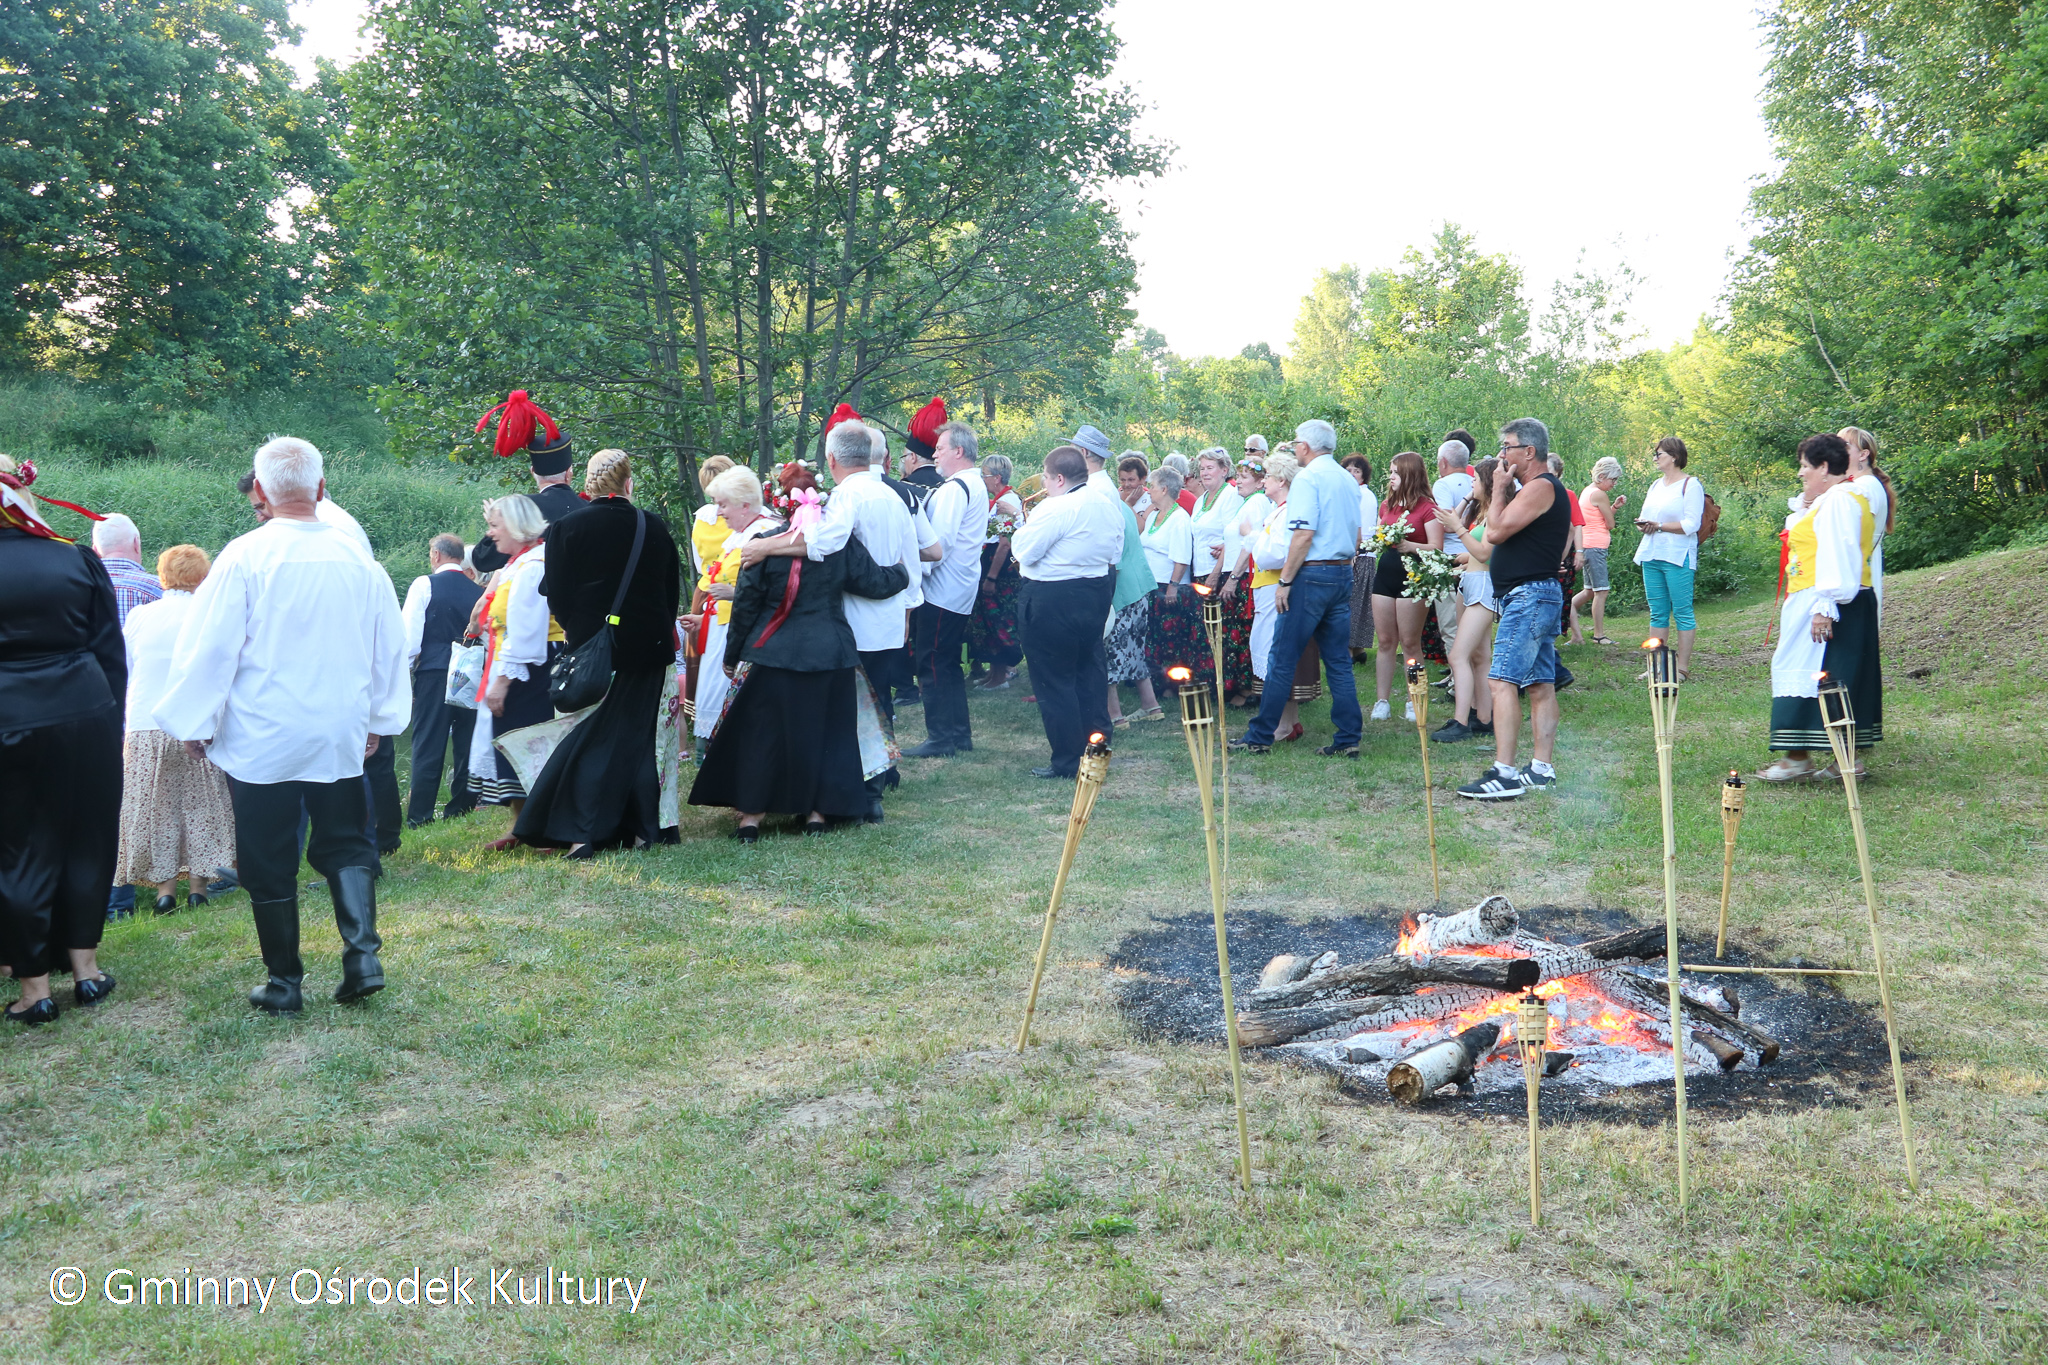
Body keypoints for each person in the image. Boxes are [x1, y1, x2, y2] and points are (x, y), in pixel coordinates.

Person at [154, 436, 408, 1012]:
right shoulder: (359, 559)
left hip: (263, 734)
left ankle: (285, 982)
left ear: (263, 494)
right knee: (345, 839)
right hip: (337, 728)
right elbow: (386, 647)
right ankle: (362, 955)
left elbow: (210, 648)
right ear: (320, 487)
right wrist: (379, 717)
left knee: (267, 854)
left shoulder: (244, 556)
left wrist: (195, 720)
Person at [688, 497, 909, 838]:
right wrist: (902, 570)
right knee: (824, 734)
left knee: (762, 736)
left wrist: (731, 656)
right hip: (830, 653)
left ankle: (751, 820)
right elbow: (875, 583)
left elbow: (746, 604)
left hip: (771, 655)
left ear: (781, 506)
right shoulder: (838, 544)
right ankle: (816, 816)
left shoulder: (760, 546)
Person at [741, 417, 927, 814]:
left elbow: (824, 543)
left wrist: (765, 547)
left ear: (831, 459)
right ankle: (880, 780)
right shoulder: (894, 496)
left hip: (853, 618)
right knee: (879, 701)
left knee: (854, 709)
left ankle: (863, 791)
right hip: (890, 616)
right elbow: (910, 560)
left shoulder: (846, 498)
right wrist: (908, 612)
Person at [0, 454, 123, 1023]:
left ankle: (35, 990)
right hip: (87, 713)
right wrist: (111, 721)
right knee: (86, 837)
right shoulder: (76, 556)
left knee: (18, 848)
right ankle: (87, 973)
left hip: (10, 721)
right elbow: (110, 650)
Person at [515, 451, 682, 856]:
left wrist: (580, 631)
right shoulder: (653, 526)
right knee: (641, 739)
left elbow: (556, 594)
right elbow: (669, 592)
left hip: (593, 651)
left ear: (586, 483)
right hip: (650, 649)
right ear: (629, 483)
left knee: (589, 739)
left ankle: (581, 835)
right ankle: (644, 832)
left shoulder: (568, 527)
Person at [116, 544, 238, 915]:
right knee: (202, 807)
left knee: (158, 810)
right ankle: (199, 889)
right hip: (196, 723)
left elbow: (126, 668)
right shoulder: (208, 615)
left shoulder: (140, 615)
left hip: (145, 724)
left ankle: (164, 892)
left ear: (163, 576)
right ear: (204, 577)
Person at [1233, 420, 1364, 756]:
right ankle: (1349, 737)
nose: (1294, 448)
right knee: (1338, 661)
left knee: (1281, 658)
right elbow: (1355, 534)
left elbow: (1303, 534)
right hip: (1341, 571)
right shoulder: (1347, 480)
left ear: (1305, 446)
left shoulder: (1308, 478)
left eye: (1296, 443)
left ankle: (1260, 735)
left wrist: (1286, 581)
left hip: (1312, 573)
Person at [1758, 434, 1881, 782]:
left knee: (1821, 675)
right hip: (1817, 598)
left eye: (1805, 466)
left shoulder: (1840, 500)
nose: (1801, 473)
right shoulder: (1834, 499)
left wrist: (1824, 606)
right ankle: (1825, 759)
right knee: (1827, 675)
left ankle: (1805, 759)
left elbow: (1838, 553)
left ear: (1824, 468)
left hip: (1827, 601)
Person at [1457, 419, 1568, 800]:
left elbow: (1495, 531)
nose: (1501, 454)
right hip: (1533, 595)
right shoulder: (1536, 489)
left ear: (1529, 451)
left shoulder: (1540, 487)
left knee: (1501, 681)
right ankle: (1540, 769)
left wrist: (1499, 488)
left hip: (1529, 597)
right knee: (1539, 684)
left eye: (1507, 447)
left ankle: (1504, 773)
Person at [1013, 445, 1123, 778]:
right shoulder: (1107, 504)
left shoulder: (1056, 506)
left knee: (1054, 680)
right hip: (1094, 592)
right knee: (1089, 673)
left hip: (1053, 598)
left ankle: (1067, 759)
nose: (1044, 485)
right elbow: (1115, 553)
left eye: (1046, 478)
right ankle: (1096, 750)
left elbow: (1025, 551)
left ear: (1059, 478)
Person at [467, 495, 560, 830]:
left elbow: (527, 634)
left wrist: (502, 682)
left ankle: (540, 827)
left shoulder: (533, 566)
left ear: (517, 526)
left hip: (531, 667)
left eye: (495, 525)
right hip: (516, 663)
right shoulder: (517, 564)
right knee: (511, 738)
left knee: (524, 741)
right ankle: (522, 825)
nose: (490, 533)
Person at [904, 419, 989, 758]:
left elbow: (939, 545)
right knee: (948, 662)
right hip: (958, 586)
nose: (935, 454)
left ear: (958, 451)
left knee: (932, 661)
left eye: (940, 448)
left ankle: (941, 738)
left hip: (944, 589)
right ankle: (958, 734)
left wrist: (914, 574)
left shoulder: (956, 488)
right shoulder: (972, 483)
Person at [92, 511, 162, 919]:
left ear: (95, 547)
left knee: (95, 808)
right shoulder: (156, 590)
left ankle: (108, 898)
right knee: (143, 806)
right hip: (145, 718)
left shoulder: (78, 587)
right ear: (136, 544)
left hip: (89, 713)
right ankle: (146, 886)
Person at [1072, 426, 1160, 725]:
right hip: (1136, 583)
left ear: (1084, 453)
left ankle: (1115, 715)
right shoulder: (1109, 490)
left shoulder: (1096, 492)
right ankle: (1151, 706)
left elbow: (1110, 548)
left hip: (1120, 585)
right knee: (1132, 649)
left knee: (1108, 650)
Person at [688, 468, 783, 744]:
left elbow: (773, 591)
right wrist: (703, 619)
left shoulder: (765, 534)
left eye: (723, 505)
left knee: (733, 701)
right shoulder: (738, 535)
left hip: (747, 633)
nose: (719, 513)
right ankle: (709, 755)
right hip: (722, 628)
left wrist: (733, 593)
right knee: (715, 695)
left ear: (744, 505)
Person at [398, 533, 486, 826]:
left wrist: (404, 676)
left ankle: (420, 816)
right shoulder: (478, 591)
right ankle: (461, 809)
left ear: (436, 555)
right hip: (472, 673)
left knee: (428, 742)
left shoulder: (425, 584)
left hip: (435, 672)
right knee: (467, 742)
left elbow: (410, 639)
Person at [469, 390, 586, 572]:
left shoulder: (522, 509)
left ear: (533, 472)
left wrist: (496, 521)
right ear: (569, 473)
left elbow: (483, 560)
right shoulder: (590, 508)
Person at [1369, 451, 1444, 720]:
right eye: (1391, 472)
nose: (1391, 477)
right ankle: (1382, 700)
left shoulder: (1427, 507)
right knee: (1385, 641)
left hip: (1413, 577)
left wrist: (1411, 546)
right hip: (1386, 573)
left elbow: (1437, 547)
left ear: (1410, 475)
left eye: (1396, 472)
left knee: (1410, 642)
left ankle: (1415, 699)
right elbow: (1379, 532)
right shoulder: (1387, 505)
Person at [1432, 459, 1501, 743]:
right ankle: (1484, 717)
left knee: (1458, 655)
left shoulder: (1497, 513)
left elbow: (1485, 553)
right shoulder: (1484, 511)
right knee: (1479, 656)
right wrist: (1463, 560)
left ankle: (1460, 721)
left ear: (1489, 483)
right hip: (1471, 581)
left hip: (1484, 586)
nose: (1471, 483)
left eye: (1476, 480)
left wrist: (1458, 530)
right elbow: (1478, 551)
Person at [1632, 436, 1706, 681]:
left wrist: (1660, 525)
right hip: (1652, 553)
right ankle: (1656, 666)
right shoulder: (1655, 485)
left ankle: (1682, 668)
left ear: (1674, 457)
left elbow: (1692, 524)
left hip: (1677, 555)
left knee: (1682, 611)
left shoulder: (1690, 485)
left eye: (1659, 454)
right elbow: (1647, 515)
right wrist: (1644, 525)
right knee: (1657, 612)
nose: (1655, 458)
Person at [1240, 453, 1303, 739]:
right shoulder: (1280, 510)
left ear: (1281, 481)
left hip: (1275, 584)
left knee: (1272, 652)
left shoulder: (1287, 512)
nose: (1263, 480)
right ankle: (1288, 720)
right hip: (1267, 585)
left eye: (1268, 476)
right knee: (1271, 650)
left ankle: (1283, 723)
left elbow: (1276, 553)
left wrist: (1252, 536)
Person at [1139, 467, 1205, 689]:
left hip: (1168, 586)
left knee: (1170, 636)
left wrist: (1173, 587)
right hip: (1150, 584)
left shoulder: (1179, 518)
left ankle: (1171, 685)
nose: (1148, 490)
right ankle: (1155, 681)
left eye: (1152, 486)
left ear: (1164, 489)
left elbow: (1182, 557)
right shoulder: (1153, 515)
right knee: (1153, 634)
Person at [1212, 455, 1270, 707]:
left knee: (1241, 631)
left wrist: (1233, 578)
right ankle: (1240, 686)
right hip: (1235, 572)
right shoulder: (1248, 502)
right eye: (1238, 477)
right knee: (1235, 631)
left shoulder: (1256, 503)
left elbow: (1250, 544)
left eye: (1244, 477)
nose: (1239, 482)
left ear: (1259, 482)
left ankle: (1247, 689)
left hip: (1243, 576)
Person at [968, 453, 1025, 690]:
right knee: (990, 620)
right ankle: (993, 673)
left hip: (1000, 568)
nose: (983, 480)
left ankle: (1001, 676)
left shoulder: (1005, 504)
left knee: (998, 619)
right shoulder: (1000, 501)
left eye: (985, 475)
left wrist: (991, 577)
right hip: (993, 561)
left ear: (997, 478)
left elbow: (1004, 543)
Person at [1838, 427, 1895, 618]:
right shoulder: (1859, 485)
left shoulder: (1865, 487)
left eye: (1844, 445)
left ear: (1863, 455)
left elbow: (1852, 534)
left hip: (1857, 571)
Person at [1569, 457, 1625, 644]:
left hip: (1587, 545)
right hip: (1595, 547)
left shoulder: (1588, 491)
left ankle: (1567, 608)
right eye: (1613, 479)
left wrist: (1614, 507)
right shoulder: (1599, 494)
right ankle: (1599, 635)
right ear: (1601, 477)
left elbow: (1598, 518)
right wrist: (1611, 513)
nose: (1614, 484)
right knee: (1601, 591)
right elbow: (1609, 524)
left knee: (1589, 591)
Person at [1340, 455, 1377, 662]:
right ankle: (1357, 649)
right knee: (1358, 603)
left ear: (1364, 475)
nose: (1352, 474)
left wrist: (1353, 552)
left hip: (1359, 554)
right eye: (1348, 470)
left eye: (1357, 471)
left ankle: (1349, 649)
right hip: (1363, 554)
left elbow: (1358, 528)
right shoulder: (1358, 494)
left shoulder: (1362, 495)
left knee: (1352, 603)